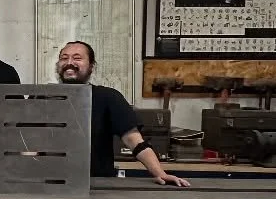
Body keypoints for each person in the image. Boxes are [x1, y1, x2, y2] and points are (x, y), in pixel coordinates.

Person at [57, 41, 190, 187]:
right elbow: (30, 146)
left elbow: (135, 142)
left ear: (91, 66)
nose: (69, 62)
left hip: (97, 185)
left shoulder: (108, 97)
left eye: (77, 58)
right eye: (64, 58)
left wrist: (160, 173)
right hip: (49, 185)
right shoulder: (41, 98)